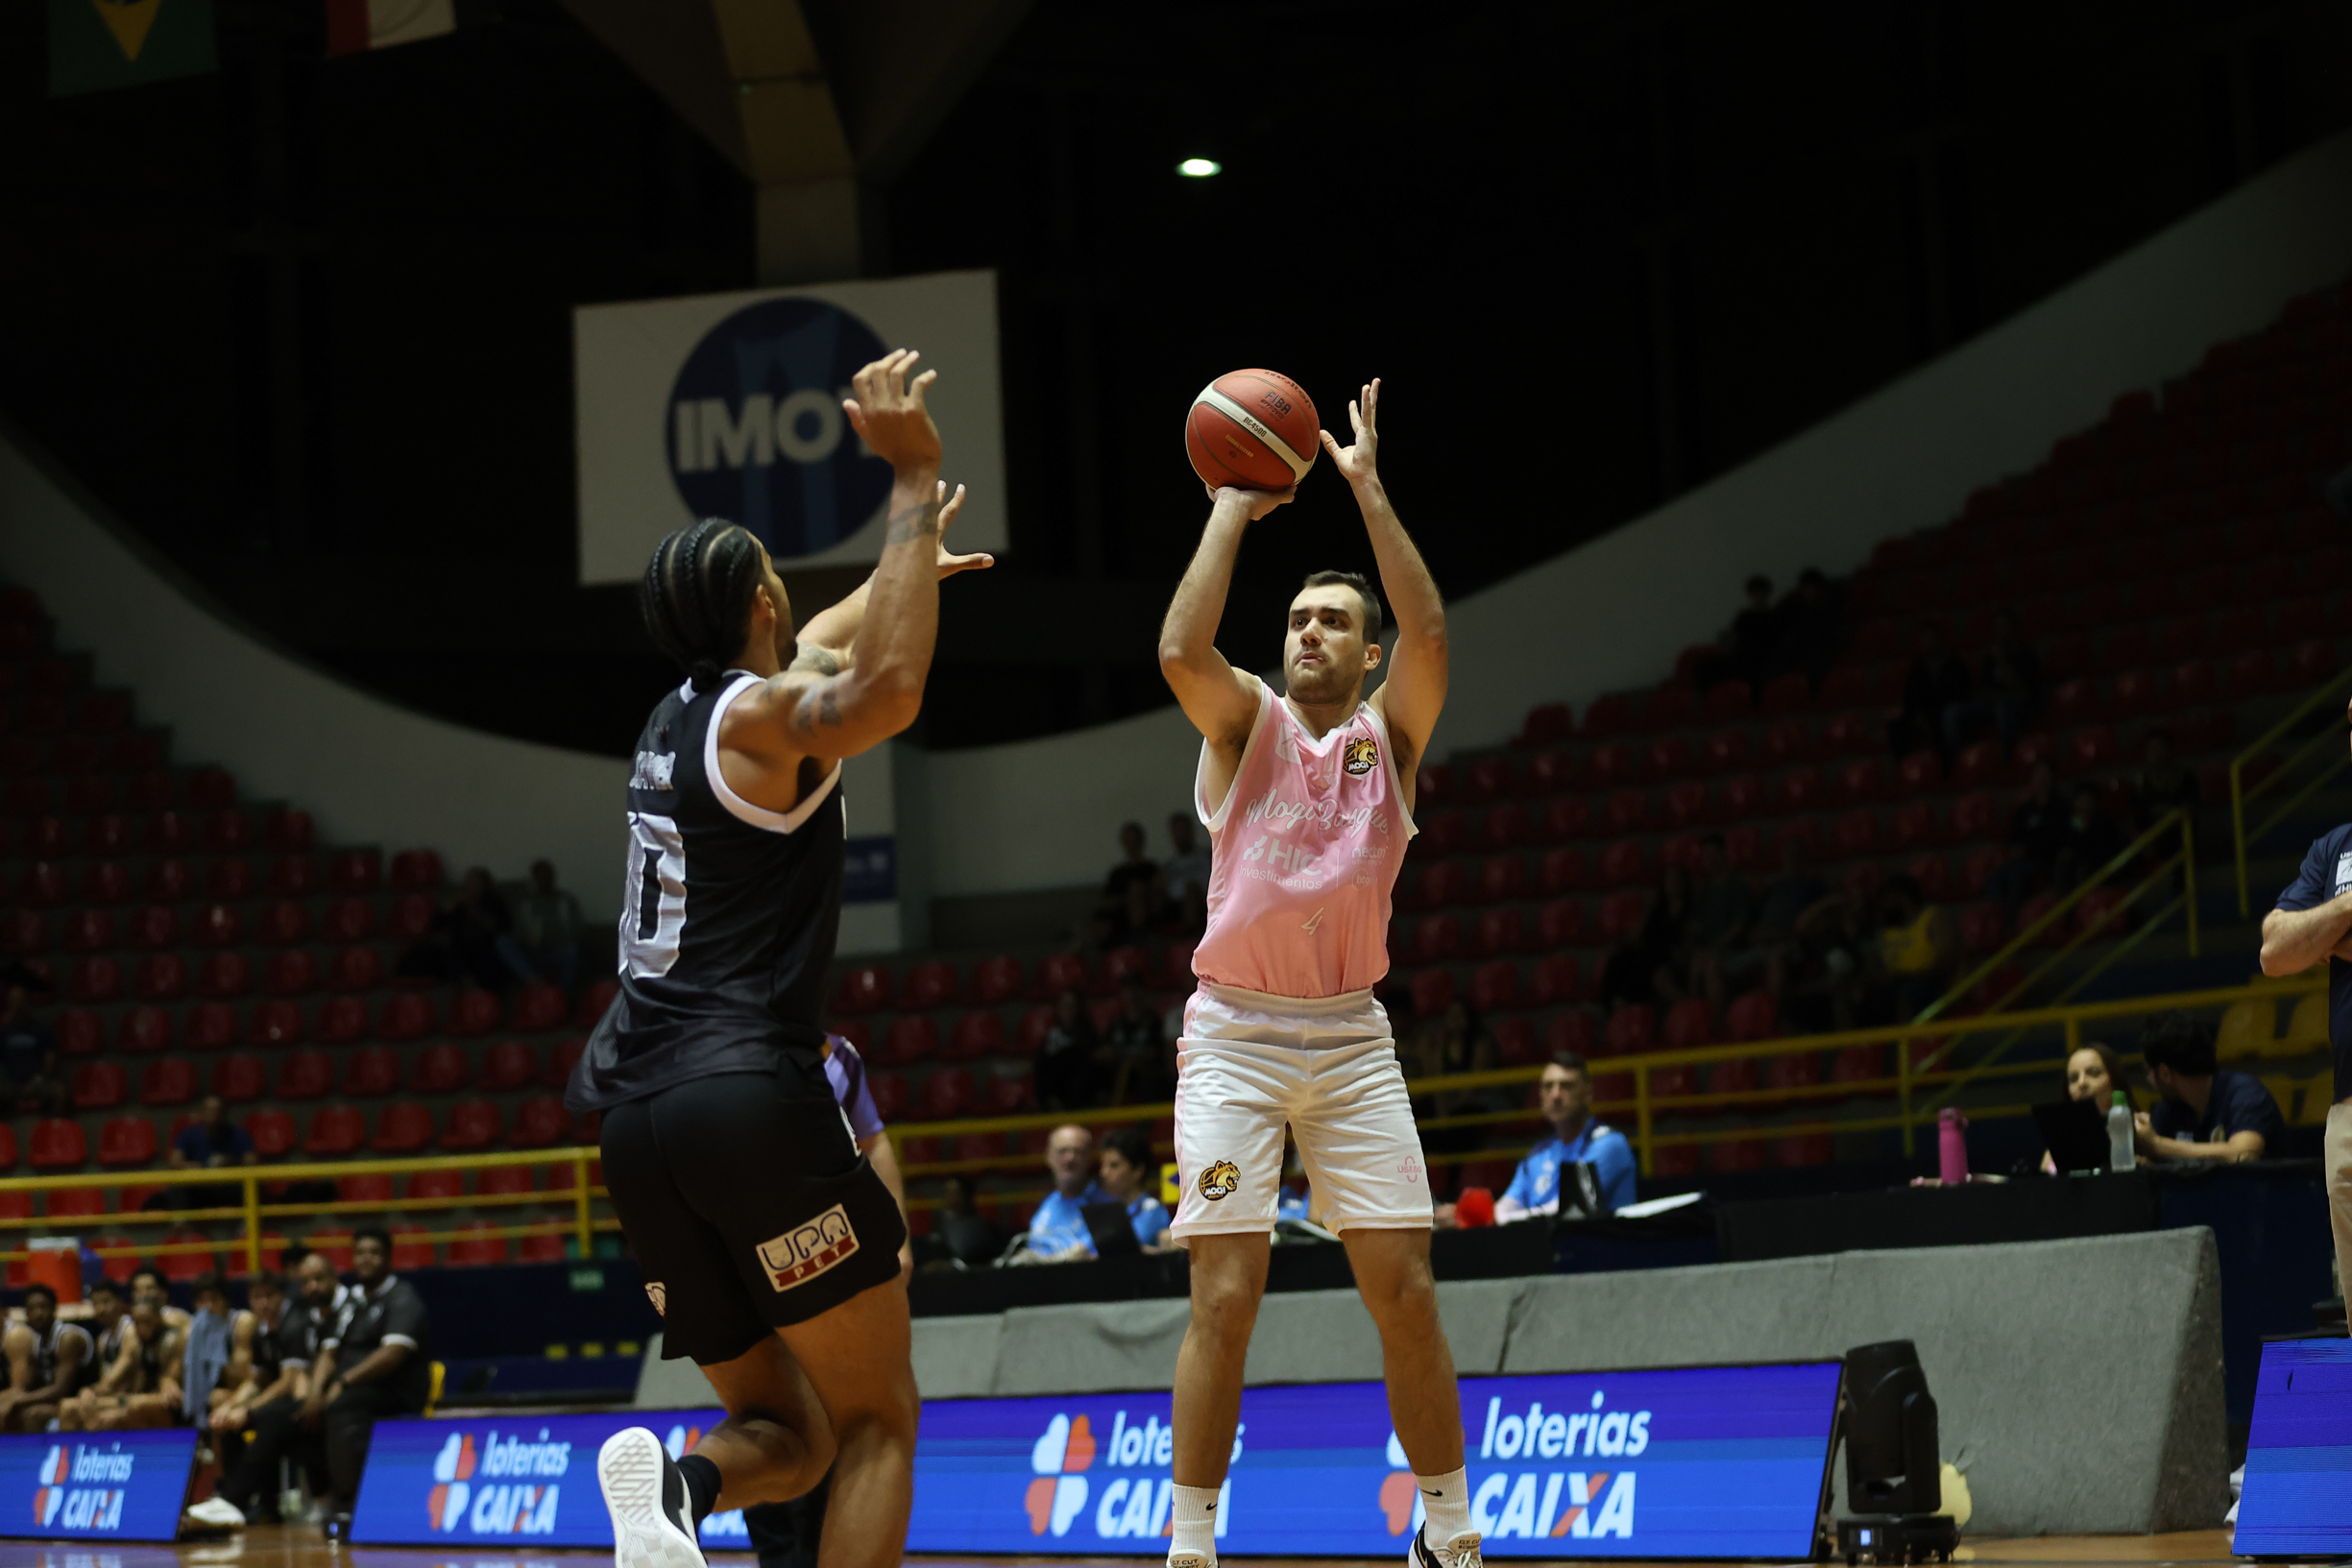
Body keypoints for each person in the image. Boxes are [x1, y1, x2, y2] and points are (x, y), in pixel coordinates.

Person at [566, 350, 979, 1568]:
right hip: (745, 1098)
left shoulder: (673, 723)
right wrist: (911, 479)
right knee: (876, 1420)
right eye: (777, 589)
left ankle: (682, 1495)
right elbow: (888, 687)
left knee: (780, 1428)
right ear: (757, 605)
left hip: (635, 1126)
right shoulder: (757, 723)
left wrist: (912, 569)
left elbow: (835, 640)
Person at [1156, 376, 1481, 1568]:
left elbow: (1437, 636)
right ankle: (1191, 1543)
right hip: (1235, 1034)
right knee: (1224, 1302)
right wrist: (1234, 506)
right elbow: (1179, 645)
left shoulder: (1388, 738)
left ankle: (1448, 1534)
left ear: (1368, 648)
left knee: (1403, 1289)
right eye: (1298, 619)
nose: (1309, 632)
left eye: (1334, 621)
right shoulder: (1242, 723)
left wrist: (1364, 487)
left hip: (1350, 1038)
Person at [2260, 787, 2352, 1308]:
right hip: (2347, 1115)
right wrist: (2349, 908)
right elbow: (2274, 949)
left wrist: (2322, 936)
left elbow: (2303, 941)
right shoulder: (2334, 847)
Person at [314, 1229, 431, 1531]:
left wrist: (344, 1382)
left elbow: (392, 1354)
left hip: (394, 1390)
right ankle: (291, 1501)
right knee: (295, 1412)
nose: (366, 1259)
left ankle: (349, 1505)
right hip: (355, 1391)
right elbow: (329, 1350)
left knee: (342, 1406)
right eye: (360, 1253)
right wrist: (314, 1393)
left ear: (389, 1258)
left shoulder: (403, 1297)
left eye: (374, 1252)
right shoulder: (351, 1300)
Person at [184, 1270, 303, 1529]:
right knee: (227, 1420)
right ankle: (247, 1500)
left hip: (301, 1404)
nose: (263, 1304)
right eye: (256, 1297)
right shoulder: (263, 1331)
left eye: (269, 1296)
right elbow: (256, 1381)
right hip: (276, 1404)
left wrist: (246, 1409)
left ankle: (231, 1501)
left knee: (262, 1421)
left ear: (281, 1296)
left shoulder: (293, 1323)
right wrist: (232, 1407)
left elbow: (287, 1381)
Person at [1495, 1055, 1638, 1218]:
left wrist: (1515, 1217)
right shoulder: (1537, 1154)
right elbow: (1505, 1207)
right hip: (1546, 1241)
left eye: (1567, 1086)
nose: (1556, 1095)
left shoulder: (1609, 1145)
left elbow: (1571, 1208)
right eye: (1548, 1086)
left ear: (1588, 1094)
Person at [2133, 1012, 2285, 1164]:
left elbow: (2242, 1155)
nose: (2149, 1080)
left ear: (2165, 1074)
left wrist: (2157, 1144)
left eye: (2149, 1072)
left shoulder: (2246, 1094)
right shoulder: (2168, 1111)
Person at [62, 1299, 182, 1431]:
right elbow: (117, 1386)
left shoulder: (172, 1341)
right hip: (134, 1400)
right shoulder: (137, 1344)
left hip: (168, 1407)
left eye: (147, 1322)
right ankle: (76, 1450)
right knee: (68, 1407)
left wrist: (121, 1412)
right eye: (137, 1323)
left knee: (134, 1406)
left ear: (158, 1319)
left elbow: (170, 1393)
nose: (142, 1328)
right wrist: (89, 1391)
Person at [1947, 607, 2042, 754]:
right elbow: (1983, 690)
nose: (2000, 631)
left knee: (2004, 707)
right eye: (1997, 627)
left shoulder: (2026, 654)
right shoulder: (1990, 656)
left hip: (2018, 707)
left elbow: (2022, 692)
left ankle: (2008, 760)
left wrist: (2002, 661)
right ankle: (1960, 762)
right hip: (1992, 705)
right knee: (1952, 712)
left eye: (2004, 626)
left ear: (2013, 628)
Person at [0, 1282, 92, 1432]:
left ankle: (35, 1454)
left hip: (79, 1402)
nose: (38, 1313)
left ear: (54, 1309)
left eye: (43, 1307)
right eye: (32, 1309)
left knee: (33, 1414)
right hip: (56, 1403)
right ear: (26, 1314)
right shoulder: (36, 1341)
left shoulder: (68, 1338)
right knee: (11, 1412)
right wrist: (11, 1399)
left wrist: (18, 1401)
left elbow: (60, 1389)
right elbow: (26, 1387)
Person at [1871, 874, 1959, 1022]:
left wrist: (1906, 976)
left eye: (1888, 901)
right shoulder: (1887, 931)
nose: (1883, 906)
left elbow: (1945, 965)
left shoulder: (1932, 918)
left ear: (1904, 899)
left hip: (1933, 984)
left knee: (1907, 992)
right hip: (1899, 983)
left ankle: (1910, 1042)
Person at [1012, 1125, 1104, 1265]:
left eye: (1078, 1151)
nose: (1070, 1158)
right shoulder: (1047, 1203)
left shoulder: (1105, 1205)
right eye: (1062, 1151)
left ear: (1089, 1156)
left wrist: (1048, 1260)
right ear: (1048, 1156)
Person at [2038, 1044, 2136, 1174]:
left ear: (2115, 1081)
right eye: (2073, 1079)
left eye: (2093, 1073)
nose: (2082, 1083)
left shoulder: (2139, 1129)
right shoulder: (2055, 1152)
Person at [1685, 833, 1753, 1009]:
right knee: (1697, 961)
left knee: (1710, 965)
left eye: (1712, 853)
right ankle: (1695, 1014)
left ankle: (1718, 1020)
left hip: (1734, 953)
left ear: (1723, 854)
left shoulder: (1738, 887)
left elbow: (1740, 926)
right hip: (1707, 952)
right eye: (1705, 855)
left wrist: (1716, 947)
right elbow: (1696, 926)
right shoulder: (1705, 892)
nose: (1708, 859)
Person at [1991, 760, 2067, 914]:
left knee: (2016, 876)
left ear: (2053, 777)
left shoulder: (2062, 807)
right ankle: (2001, 916)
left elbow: (2055, 839)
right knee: (1994, 877)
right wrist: (2013, 849)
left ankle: (2013, 923)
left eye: (2046, 774)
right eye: (2038, 774)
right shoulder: (2025, 809)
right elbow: (2012, 837)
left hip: (2046, 860)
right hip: (2023, 860)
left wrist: (2026, 848)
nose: (2042, 778)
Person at [1890, 621, 1972, 761]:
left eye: (1930, 637)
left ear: (1938, 639)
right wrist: (1917, 715)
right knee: (1897, 725)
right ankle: (1904, 766)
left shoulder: (1953, 661)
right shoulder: (1919, 666)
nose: (1927, 641)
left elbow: (1962, 692)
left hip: (1946, 709)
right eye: (1924, 638)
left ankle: (1951, 765)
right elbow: (1909, 696)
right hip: (1924, 713)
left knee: (1945, 720)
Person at [1692, 574, 1777, 696]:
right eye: (1755, 593)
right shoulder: (1745, 616)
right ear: (1750, 594)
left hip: (1758, 662)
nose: (1758, 596)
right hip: (1739, 658)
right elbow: (1733, 638)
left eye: (1760, 592)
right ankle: (1705, 699)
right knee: (1703, 666)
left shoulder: (1772, 617)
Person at [0, 964, 66, 1118]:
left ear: (27, 1003)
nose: (18, 1005)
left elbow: (51, 1059)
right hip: (10, 1083)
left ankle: (52, 1133)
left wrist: (37, 1081)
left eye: (21, 1001)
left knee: (60, 1092)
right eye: (14, 1001)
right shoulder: (4, 1033)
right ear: (9, 1005)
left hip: (37, 1082)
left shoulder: (41, 1030)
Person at [1095, 1126, 1173, 1252]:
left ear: (1138, 1171)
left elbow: (1125, 1250)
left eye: (1114, 1165)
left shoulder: (1153, 1211)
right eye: (1103, 1165)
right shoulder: (1108, 1210)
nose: (1103, 1173)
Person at [515, 858, 587, 993]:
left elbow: (577, 930)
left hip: (560, 950)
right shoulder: (526, 904)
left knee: (573, 952)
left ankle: (564, 995)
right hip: (534, 951)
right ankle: (535, 982)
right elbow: (520, 932)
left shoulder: (566, 901)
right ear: (534, 879)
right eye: (540, 877)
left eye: (547, 876)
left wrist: (559, 940)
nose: (544, 880)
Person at [1096, 821, 1164, 949]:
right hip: (1119, 916)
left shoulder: (1151, 868)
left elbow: (1158, 895)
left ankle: (1137, 939)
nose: (1131, 845)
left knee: (1136, 891)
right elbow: (1108, 901)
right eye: (1128, 841)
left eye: (1134, 840)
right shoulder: (1117, 873)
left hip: (1146, 915)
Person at [1033, 988, 1104, 1110]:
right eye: (1064, 1005)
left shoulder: (1087, 1034)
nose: (1067, 1010)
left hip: (1077, 1097)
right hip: (1053, 1094)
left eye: (1071, 1005)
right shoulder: (1052, 1034)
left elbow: (1091, 1061)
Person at [1103, 981, 1169, 1103]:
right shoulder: (1116, 1023)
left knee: (1152, 1079)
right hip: (1119, 1072)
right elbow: (1106, 1050)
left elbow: (1156, 1052)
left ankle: (1146, 1120)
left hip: (1144, 1072)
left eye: (1134, 991)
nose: (1131, 997)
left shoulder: (1152, 1021)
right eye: (1127, 993)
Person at [920, 1174, 1003, 1268]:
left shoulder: (978, 1226)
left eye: (954, 1193)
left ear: (965, 1196)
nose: (949, 1197)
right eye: (946, 1192)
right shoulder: (938, 1221)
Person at [2053, 784, 2123, 893]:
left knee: (2083, 870)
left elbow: (2102, 848)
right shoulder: (2071, 822)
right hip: (2075, 861)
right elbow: (2067, 842)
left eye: (2087, 798)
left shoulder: (2103, 820)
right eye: (2080, 799)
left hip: (2098, 862)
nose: (2083, 802)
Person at [1163, 812, 1212, 934]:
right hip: (1176, 907)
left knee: (1191, 889)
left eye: (1184, 830)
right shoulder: (1169, 866)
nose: (1181, 835)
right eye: (1177, 831)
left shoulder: (1208, 856)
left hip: (1204, 903)